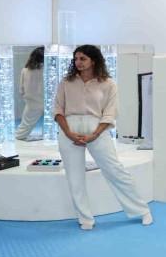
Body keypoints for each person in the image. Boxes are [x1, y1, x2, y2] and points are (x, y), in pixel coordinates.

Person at [54, 45, 152, 230]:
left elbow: (110, 112)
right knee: (74, 177)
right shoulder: (66, 82)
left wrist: (95, 134)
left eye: (83, 58)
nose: (78, 62)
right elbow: (58, 109)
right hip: (69, 127)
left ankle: (142, 210)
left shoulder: (108, 83)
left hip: (96, 127)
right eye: (76, 59)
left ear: (94, 60)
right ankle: (85, 219)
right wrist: (68, 133)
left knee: (114, 170)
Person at [15, 46, 45, 141]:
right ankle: (48, 135)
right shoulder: (48, 69)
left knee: (25, 124)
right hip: (48, 101)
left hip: (32, 101)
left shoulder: (25, 69)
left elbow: (21, 88)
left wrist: (25, 95)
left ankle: (20, 136)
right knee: (53, 123)